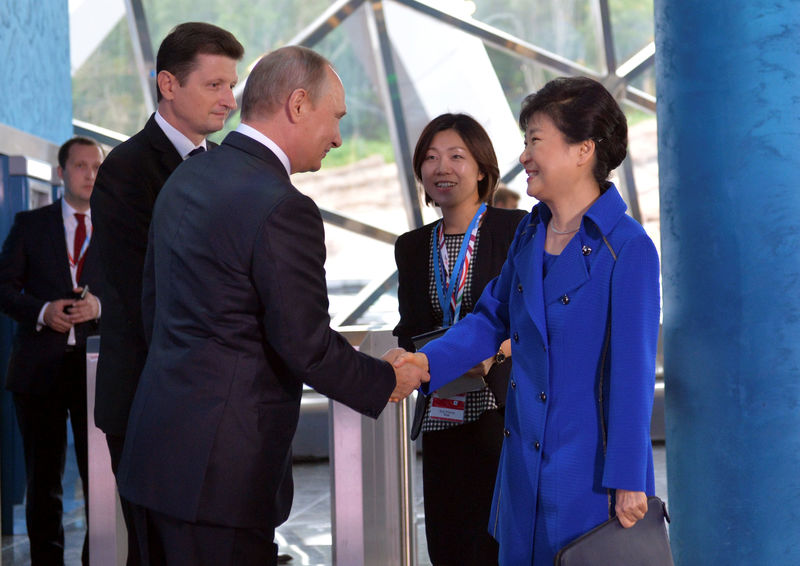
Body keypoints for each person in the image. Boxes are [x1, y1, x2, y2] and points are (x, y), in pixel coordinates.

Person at [116, 45, 428, 566]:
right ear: (299, 104)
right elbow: (305, 345)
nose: (338, 137)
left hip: (157, 457)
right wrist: (385, 380)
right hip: (223, 476)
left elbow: (154, 309)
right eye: (336, 118)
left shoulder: (187, 176)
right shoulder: (284, 206)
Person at [396, 76, 660, 565]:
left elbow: (634, 375)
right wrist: (422, 363)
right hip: (520, 470)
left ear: (583, 149)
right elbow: (489, 317)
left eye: (535, 141)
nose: (524, 157)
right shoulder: (530, 233)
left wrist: (629, 481)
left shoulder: (627, 248)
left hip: (588, 474)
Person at [89, 22, 244, 564]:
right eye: (214, 85)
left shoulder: (223, 165)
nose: (229, 100)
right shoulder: (127, 170)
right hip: (149, 400)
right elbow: (141, 296)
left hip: (209, 401)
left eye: (232, 85)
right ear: (168, 85)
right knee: (159, 550)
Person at [393, 113, 525, 565]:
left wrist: (492, 353)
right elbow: (408, 325)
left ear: (483, 168)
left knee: (501, 536)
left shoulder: (515, 230)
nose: (441, 168)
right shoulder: (412, 246)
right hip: (441, 409)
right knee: (450, 539)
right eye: (430, 158)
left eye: (455, 156)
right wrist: (423, 355)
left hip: (502, 408)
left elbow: (531, 317)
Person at [0, 137, 105, 566]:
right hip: (38, 372)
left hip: (96, 370)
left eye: (96, 166)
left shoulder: (117, 226)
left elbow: (136, 289)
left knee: (97, 477)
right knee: (44, 480)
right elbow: (4, 288)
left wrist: (99, 306)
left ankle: (93, 559)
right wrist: (43, 310)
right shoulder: (30, 223)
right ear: (62, 174)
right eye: (80, 166)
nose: (90, 174)